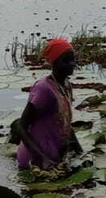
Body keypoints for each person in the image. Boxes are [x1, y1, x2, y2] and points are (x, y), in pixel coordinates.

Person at [14, 37, 82, 170]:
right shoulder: (43, 89)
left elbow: (66, 124)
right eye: (66, 60)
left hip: (55, 157)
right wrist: (43, 158)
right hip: (35, 161)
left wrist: (79, 151)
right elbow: (21, 126)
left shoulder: (66, 86)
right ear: (54, 62)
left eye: (73, 59)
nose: (72, 63)